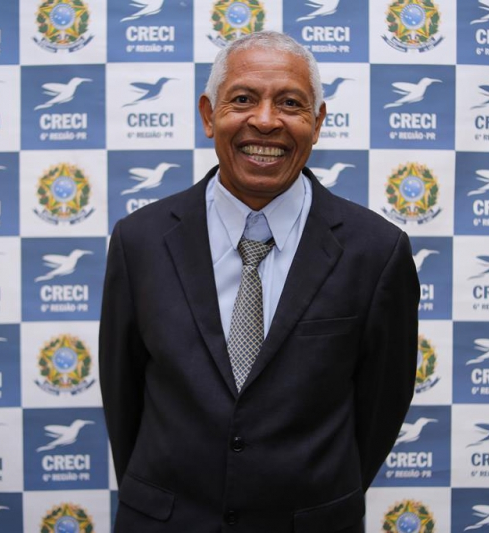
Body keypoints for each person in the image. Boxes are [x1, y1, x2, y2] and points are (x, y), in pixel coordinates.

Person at [99, 31, 419, 533]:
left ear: (317, 122)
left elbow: (380, 408)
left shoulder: (377, 251)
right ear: (209, 115)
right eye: (244, 99)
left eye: (290, 103)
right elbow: (124, 399)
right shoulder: (138, 241)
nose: (266, 121)